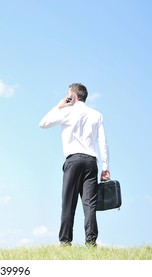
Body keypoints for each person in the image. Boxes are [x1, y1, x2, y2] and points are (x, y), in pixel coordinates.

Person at [39, 83, 110, 247]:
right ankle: (91, 243)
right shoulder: (96, 114)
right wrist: (105, 167)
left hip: (73, 161)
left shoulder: (66, 111)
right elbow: (104, 143)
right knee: (90, 205)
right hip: (91, 162)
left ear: (73, 96)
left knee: (68, 203)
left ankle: (65, 242)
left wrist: (59, 106)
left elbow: (43, 123)